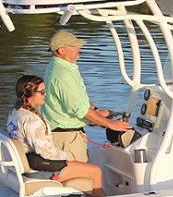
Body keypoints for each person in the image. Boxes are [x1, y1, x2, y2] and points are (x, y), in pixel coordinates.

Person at [8, 75, 107, 197]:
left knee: (86, 170)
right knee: (95, 171)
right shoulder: (31, 120)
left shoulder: (15, 112)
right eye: (42, 92)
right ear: (31, 94)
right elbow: (46, 152)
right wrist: (69, 156)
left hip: (31, 164)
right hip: (38, 170)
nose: (45, 95)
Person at [42, 31, 131, 162]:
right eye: (74, 46)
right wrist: (111, 124)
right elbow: (79, 109)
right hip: (67, 138)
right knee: (79, 181)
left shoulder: (59, 67)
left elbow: (77, 99)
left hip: (67, 135)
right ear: (61, 50)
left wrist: (97, 112)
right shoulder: (63, 75)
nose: (79, 47)